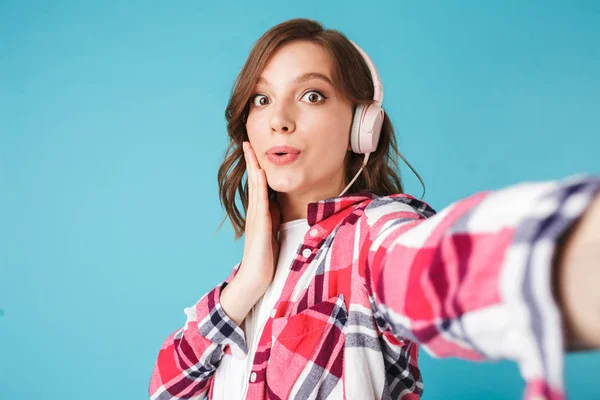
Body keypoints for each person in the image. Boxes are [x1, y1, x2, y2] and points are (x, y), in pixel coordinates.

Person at [148, 18, 600, 400]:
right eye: (261, 99)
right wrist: (245, 286)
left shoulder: (373, 232)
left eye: (311, 96)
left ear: (363, 124)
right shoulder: (246, 274)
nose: (278, 119)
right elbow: (165, 388)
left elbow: (438, 265)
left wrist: (562, 253)